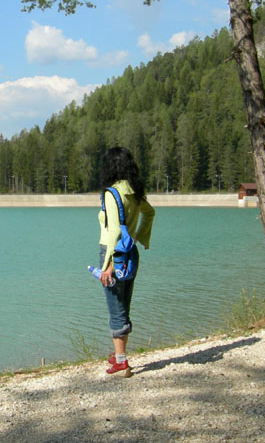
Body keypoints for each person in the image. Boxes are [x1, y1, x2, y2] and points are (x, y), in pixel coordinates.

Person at [96, 147, 155, 377]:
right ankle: (120, 354)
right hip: (130, 254)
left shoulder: (111, 194)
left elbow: (112, 234)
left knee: (115, 308)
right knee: (124, 305)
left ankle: (121, 362)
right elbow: (150, 213)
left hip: (113, 255)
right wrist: (140, 237)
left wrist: (107, 265)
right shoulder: (134, 190)